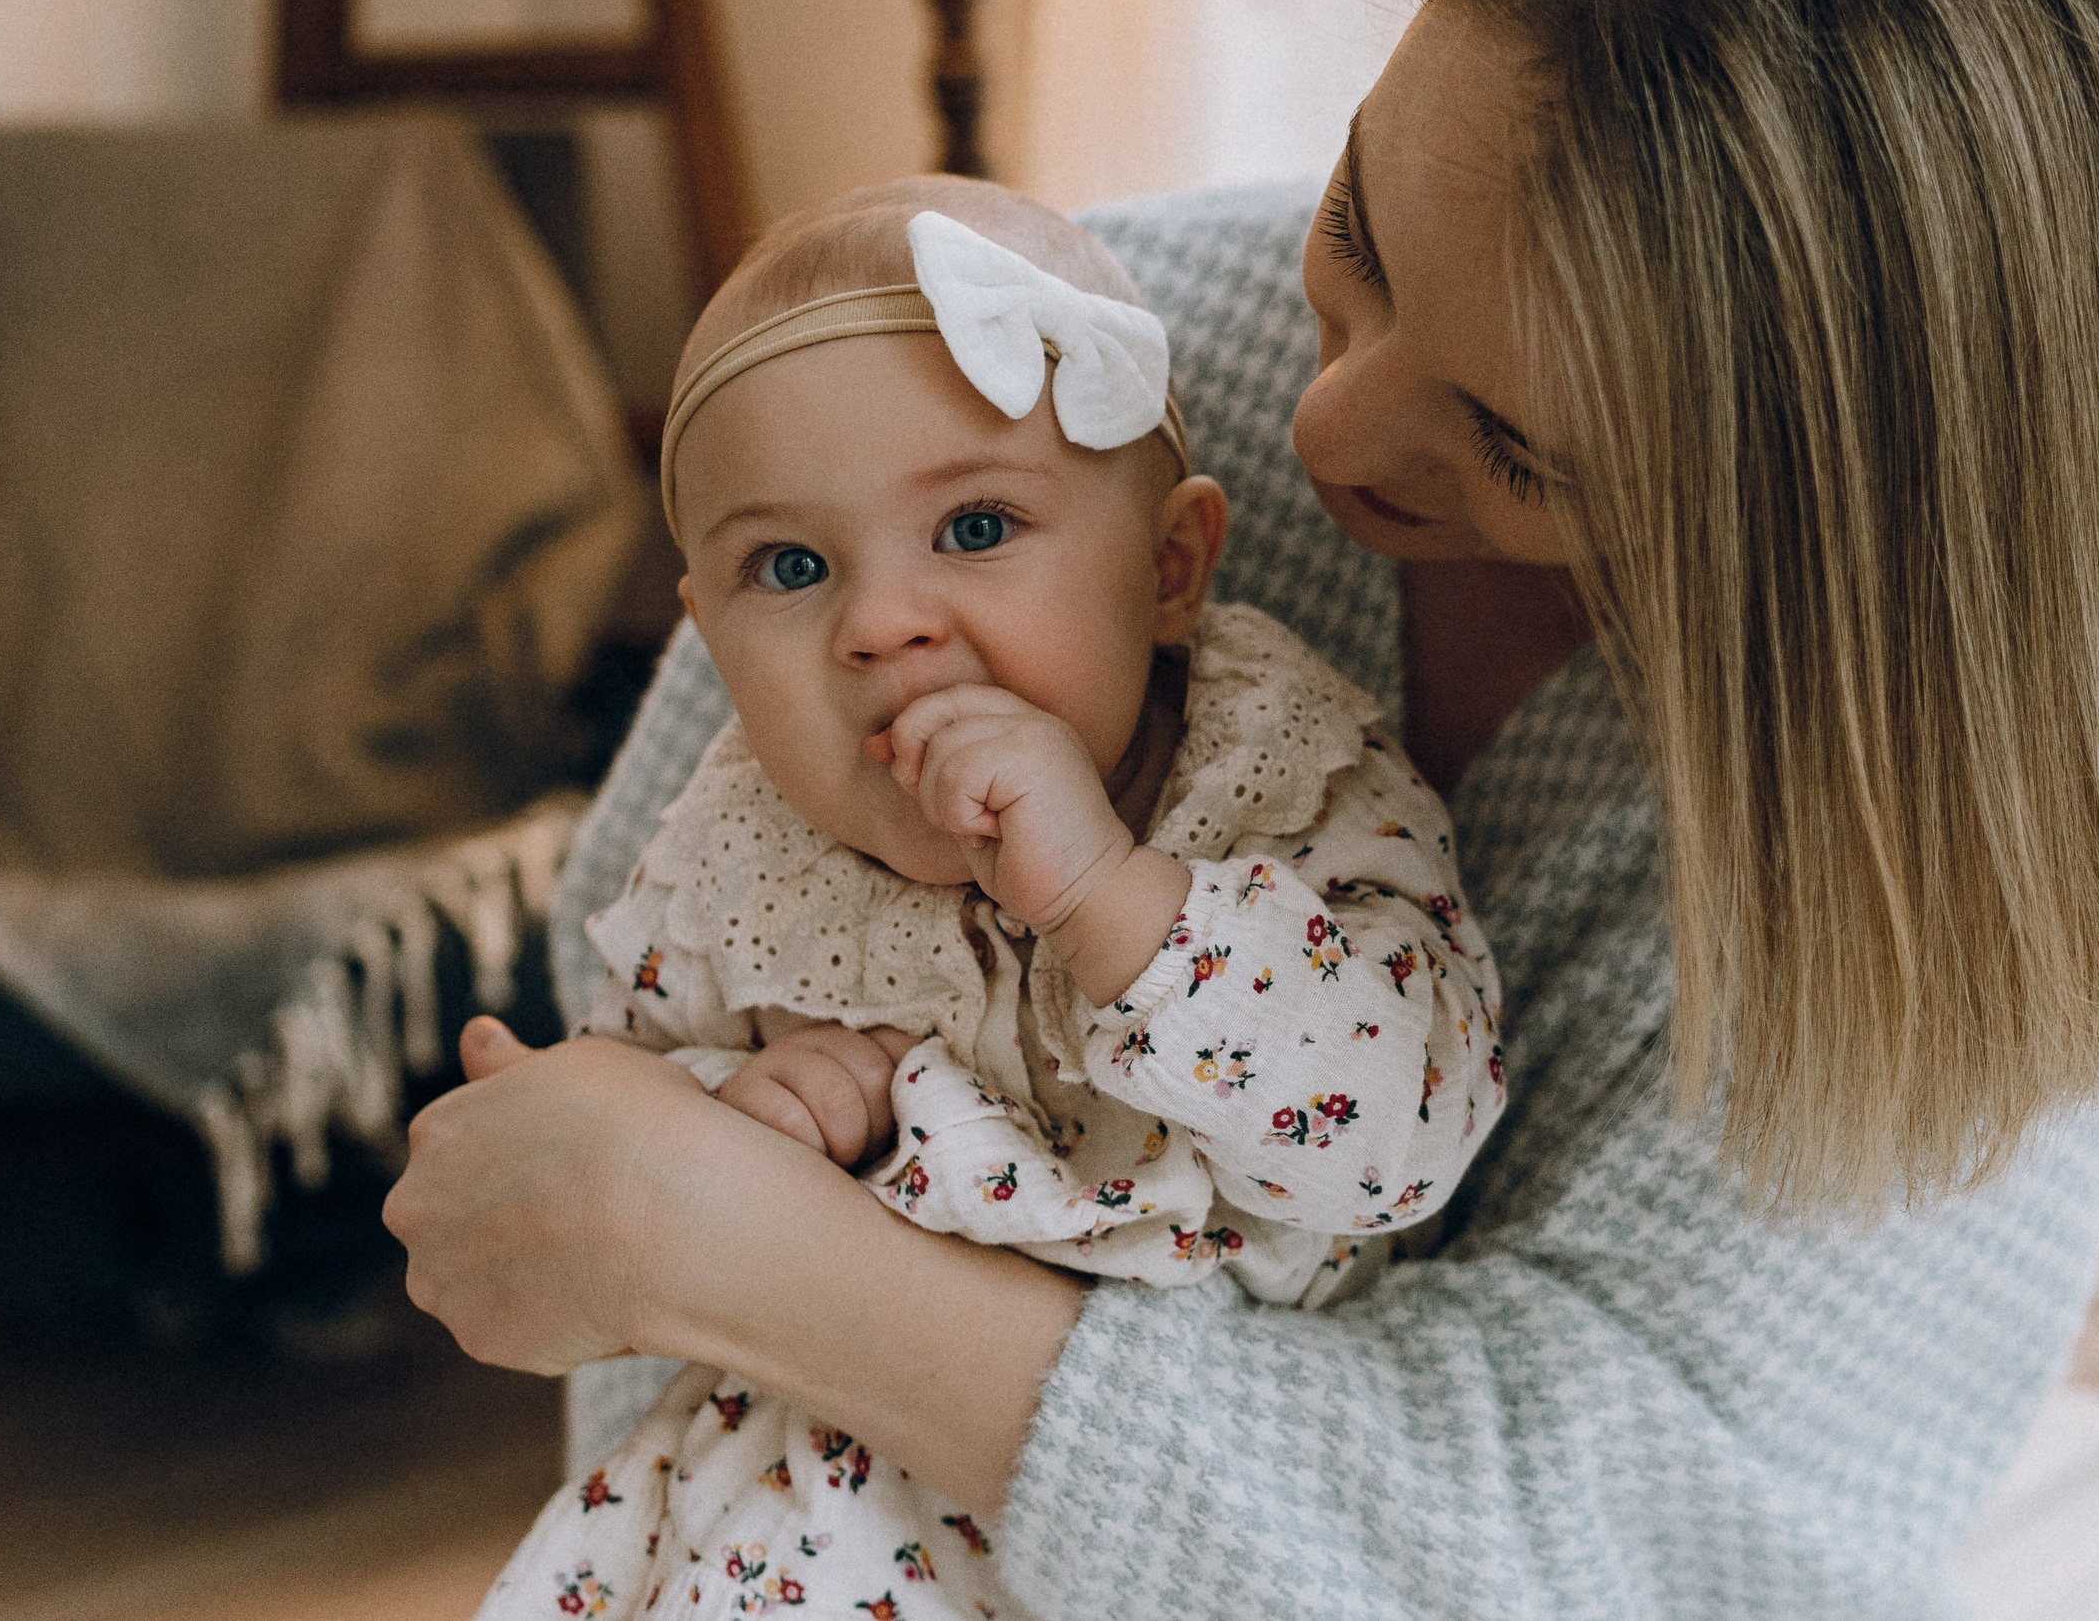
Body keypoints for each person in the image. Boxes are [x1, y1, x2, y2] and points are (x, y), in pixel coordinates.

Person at [388, 0, 2099, 1613]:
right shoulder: (1028, 388)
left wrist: (777, 1274)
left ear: (1846, 519)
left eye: (1518, 446)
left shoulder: (1941, 838)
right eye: (1358, 230)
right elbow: (644, 1098)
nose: (1322, 424)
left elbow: (1649, 1562)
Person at [473, 183, 1505, 1621]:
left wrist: (1111, 894)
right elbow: (638, 1156)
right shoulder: (744, 853)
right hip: (805, 1498)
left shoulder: (1275, 771)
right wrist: (755, 1099)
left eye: (973, 529)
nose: (879, 621)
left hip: (1189, 1507)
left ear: (1168, 569)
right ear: (707, 636)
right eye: (791, 567)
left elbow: (1403, 1141)